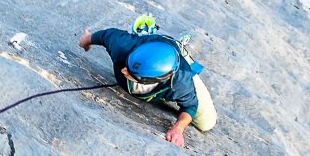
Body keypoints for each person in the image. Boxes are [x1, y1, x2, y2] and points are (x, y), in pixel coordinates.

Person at [78, 16, 217, 146]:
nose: (123, 71)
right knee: (142, 45)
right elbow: (104, 35)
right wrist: (85, 41)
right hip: (149, 46)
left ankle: (178, 48)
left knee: (207, 123)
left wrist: (178, 128)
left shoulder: (181, 82)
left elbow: (190, 106)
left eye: (132, 73)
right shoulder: (122, 45)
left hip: (177, 63)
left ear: (150, 81)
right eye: (128, 65)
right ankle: (146, 36)